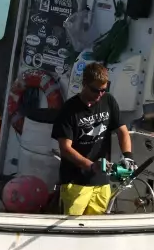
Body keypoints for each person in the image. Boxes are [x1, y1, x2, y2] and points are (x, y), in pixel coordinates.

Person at [52, 62, 134, 216]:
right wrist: (90, 166)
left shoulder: (109, 101)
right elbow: (65, 148)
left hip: (102, 183)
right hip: (75, 182)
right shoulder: (69, 110)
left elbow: (122, 131)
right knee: (71, 228)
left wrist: (128, 157)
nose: (100, 94)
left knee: (96, 226)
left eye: (104, 90)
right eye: (95, 90)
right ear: (84, 84)